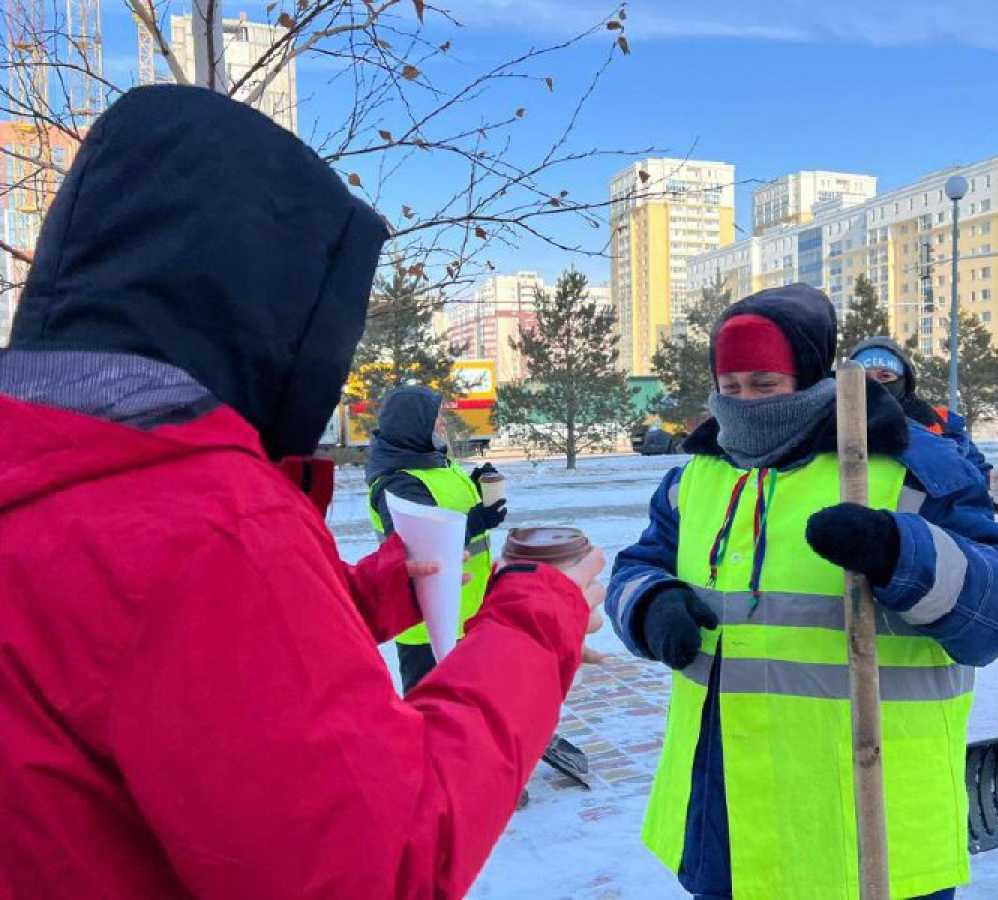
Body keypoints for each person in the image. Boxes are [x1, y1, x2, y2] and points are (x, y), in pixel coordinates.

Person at [0, 84, 604, 899]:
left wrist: (368, 593)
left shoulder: (56, 471)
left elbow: (173, 674)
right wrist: (541, 615)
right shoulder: (211, 520)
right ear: (265, 304)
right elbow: (381, 861)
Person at [606, 285, 998, 900]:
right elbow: (636, 566)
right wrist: (650, 604)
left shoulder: (911, 469)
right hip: (729, 811)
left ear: (811, 376)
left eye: (765, 384)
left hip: (873, 821)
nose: (745, 403)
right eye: (729, 387)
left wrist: (903, 554)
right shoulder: (696, 477)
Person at [366, 384, 507, 693]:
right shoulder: (398, 481)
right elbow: (417, 547)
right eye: (435, 418)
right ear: (413, 425)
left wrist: (476, 486)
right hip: (429, 628)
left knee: (470, 711)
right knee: (433, 719)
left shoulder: (433, 461)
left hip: (465, 611)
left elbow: (446, 509)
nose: (442, 423)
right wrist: (479, 518)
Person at [850, 336, 998, 508]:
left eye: (885, 376)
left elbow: (974, 480)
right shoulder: (829, 426)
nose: (875, 386)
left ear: (905, 382)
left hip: (927, 533)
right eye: (864, 378)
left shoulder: (939, 426)